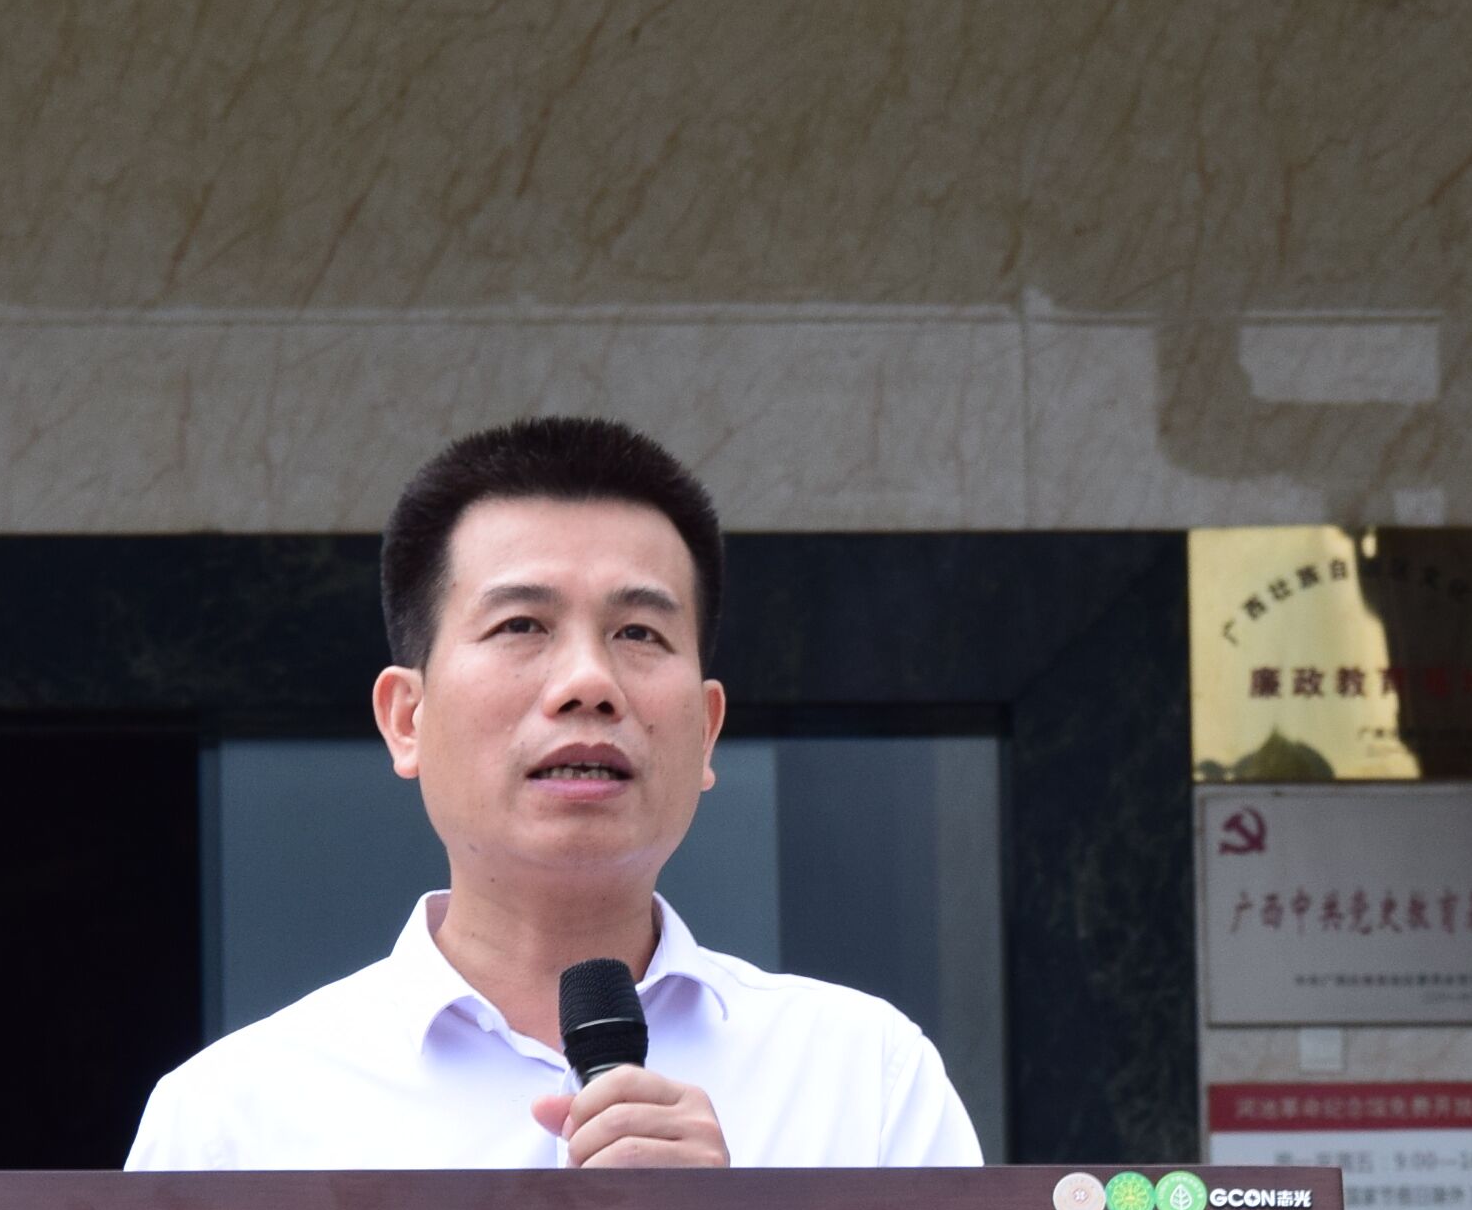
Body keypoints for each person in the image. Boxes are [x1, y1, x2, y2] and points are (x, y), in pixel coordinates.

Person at [129, 416, 981, 1171]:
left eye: (638, 632)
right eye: (522, 626)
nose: (588, 684)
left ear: (707, 731)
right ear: (407, 719)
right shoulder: (230, 1121)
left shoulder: (866, 1079)